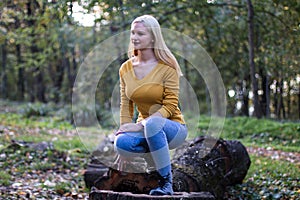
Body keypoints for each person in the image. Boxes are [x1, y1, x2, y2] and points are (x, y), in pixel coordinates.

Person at [114, 15, 188, 196]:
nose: (135, 37)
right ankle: (155, 156)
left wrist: (139, 125)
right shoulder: (125, 68)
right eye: (133, 33)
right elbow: (126, 104)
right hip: (147, 130)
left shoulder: (167, 67)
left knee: (152, 124)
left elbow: (170, 106)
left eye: (140, 33)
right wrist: (124, 128)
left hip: (172, 129)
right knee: (121, 143)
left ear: (153, 37)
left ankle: (166, 182)